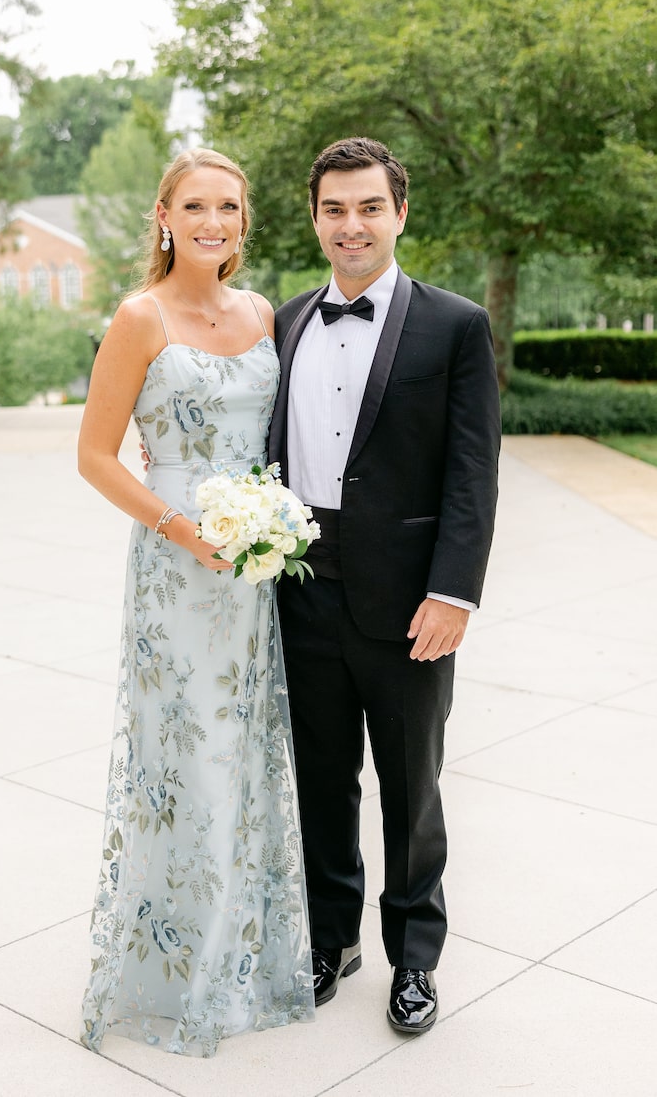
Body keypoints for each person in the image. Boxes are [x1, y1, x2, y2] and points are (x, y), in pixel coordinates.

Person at [77, 148, 314, 1058]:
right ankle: (178, 970)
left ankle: (245, 956)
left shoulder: (260, 313)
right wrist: (181, 527)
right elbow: (96, 455)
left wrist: (270, 523)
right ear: (164, 216)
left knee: (248, 758)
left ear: (244, 220)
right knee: (189, 766)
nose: (214, 221)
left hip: (252, 575)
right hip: (178, 574)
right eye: (196, 206)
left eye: (230, 206)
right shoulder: (139, 318)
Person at [269, 137, 501, 1034]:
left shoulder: (455, 325)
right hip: (302, 596)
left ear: (400, 213)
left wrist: (454, 590)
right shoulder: (285, 319)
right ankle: (333, 939)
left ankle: (414, 956)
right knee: (323, 782)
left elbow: (472, 474)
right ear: (316, 218)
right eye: (335, 209)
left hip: (410, 606)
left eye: (369, 207)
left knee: (413, 787)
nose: (351, 224)